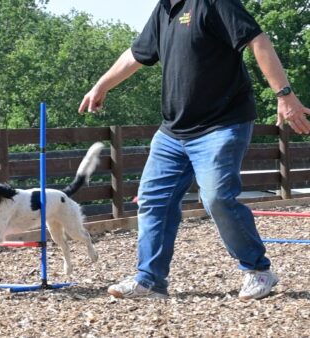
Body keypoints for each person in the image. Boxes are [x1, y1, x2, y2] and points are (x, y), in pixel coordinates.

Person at [79, 0, 310, 300]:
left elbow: (257, 38)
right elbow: (137, 54)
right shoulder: (164, 10)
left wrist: (284, 94)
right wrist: (102, 85)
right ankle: (150, 280)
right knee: (153, 200)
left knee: (215, 197)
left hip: (222, 124)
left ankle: (258, 270)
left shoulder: (212, 2)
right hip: (173, 131)